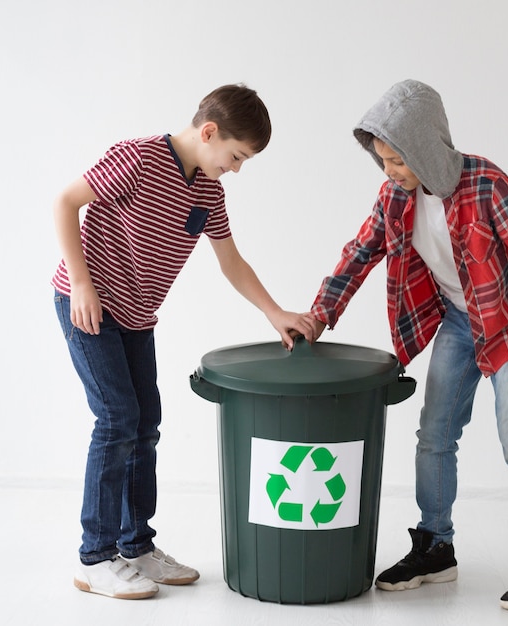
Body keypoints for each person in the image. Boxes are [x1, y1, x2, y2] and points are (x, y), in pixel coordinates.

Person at [306, 80, 508, 613]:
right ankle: (435, 544)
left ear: (427, 148)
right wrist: (320, 315)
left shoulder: (485, 185)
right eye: (382, 160)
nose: (389, 170)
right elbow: (359, 252)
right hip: (461, 321)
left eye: (397, 159)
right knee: (434, 433)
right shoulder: (394, 196)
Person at [52, 84, 315, 600]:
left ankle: (136, 546)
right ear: (209, 132)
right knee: (116, 419)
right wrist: (81, 281)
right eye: (236, 156)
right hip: (89, 305)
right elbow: (66, 201)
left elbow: (231, 262)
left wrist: (274, 312)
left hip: (136, 316)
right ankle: (95, 557)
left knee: (145, 423)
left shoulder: (208, 192)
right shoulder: (138, 158)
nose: (236, 169)